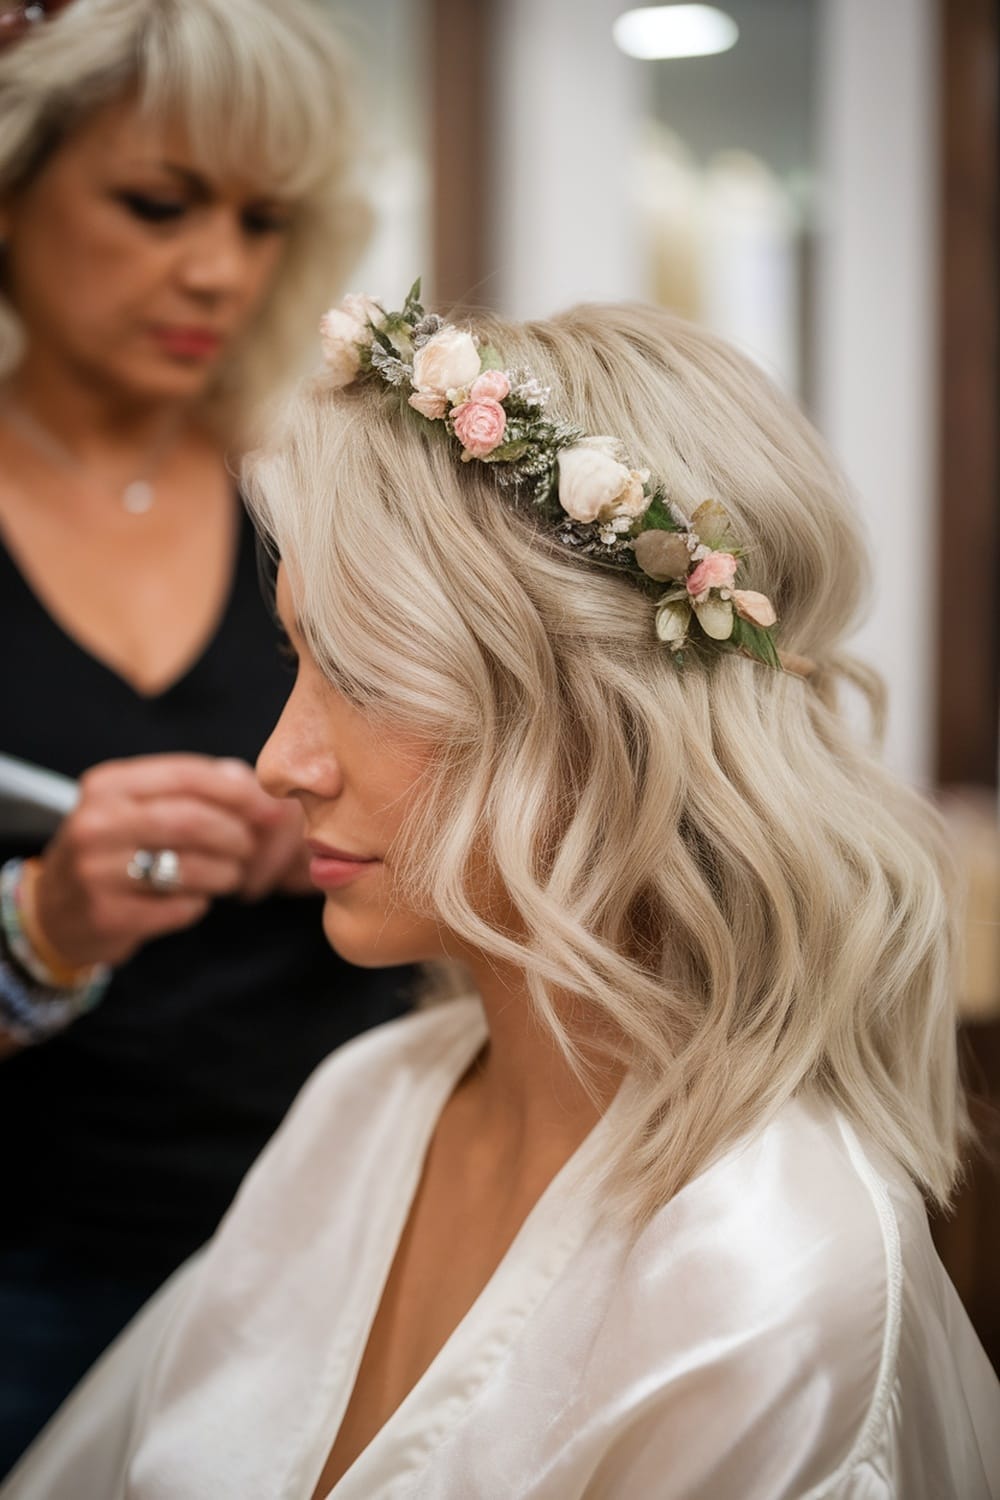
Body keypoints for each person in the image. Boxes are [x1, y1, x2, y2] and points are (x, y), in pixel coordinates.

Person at [4, 286, 999, 1500]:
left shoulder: (762, 1275)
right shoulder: (362, 1110)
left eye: (364, 675)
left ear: (595, 722)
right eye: (295, 661)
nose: (278, 763)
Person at [0, 0, 415, 1474]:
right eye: (159, 204)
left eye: (262, 220)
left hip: (332, 1234)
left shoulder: (325, 500)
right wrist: (40, 929)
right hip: (31, 1262)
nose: (217, 271)